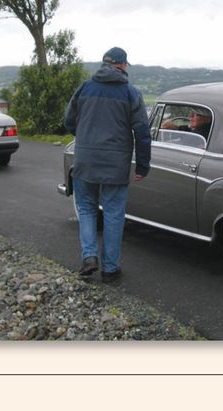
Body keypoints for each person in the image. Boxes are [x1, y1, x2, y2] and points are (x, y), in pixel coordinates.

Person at [64, 47, 151, 284]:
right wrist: (143, 165)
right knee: (113, 214)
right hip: (116, 164)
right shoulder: (131, 93)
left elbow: (68, 121)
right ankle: (111, 270)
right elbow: (142, 132)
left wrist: (85, 138)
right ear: (122, 66)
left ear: (104, 64)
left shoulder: (85, 87)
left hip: (85, 161)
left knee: (87, 209)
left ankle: (89, 257)